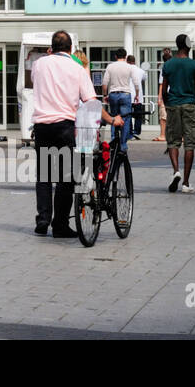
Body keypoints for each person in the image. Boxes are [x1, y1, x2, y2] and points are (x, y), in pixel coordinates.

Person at [31, 30, 124, 238]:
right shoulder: (77, 68)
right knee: (66, 177)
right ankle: (60, 225)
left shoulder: (39, 64)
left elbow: (36, 78)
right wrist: (111, 119)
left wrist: (47, 56)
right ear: (71, 49)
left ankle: (43, 219)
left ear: (51, 48)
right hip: (64, 126)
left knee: (44, 176)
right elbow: (91, 101)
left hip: (41, 126)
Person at [162, 35, 195, 193]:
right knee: (190, 143)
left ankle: (176, 171)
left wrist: (167, 104)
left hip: (173, 104)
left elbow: (164, 89)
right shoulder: (194, 65)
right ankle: (185, 183)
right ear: (188, 45)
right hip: (189, 104)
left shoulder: (168, 64)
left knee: (173, 140)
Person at [101, 48, 134, 153]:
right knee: (126, 118)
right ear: (125, 56)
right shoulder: (129, 67)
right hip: (125, 94)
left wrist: (105, 95)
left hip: (113, 94)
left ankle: (113, 141)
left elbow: (105, 82)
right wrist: (137, 93)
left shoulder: (110, 66)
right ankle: (123, 144)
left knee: (114, 118)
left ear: (115, 56)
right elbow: (136, 82)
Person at [153, 47, 171, 141]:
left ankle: (163, 135)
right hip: (175, 94)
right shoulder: (176, 67)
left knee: (163, 116)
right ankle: (181, 136)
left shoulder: (164, 68)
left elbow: (161, 84)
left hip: (166, 95)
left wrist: (159, 98)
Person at [127, 54, 146, 139]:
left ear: (127, 61)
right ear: (134, 61)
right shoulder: (140, 71)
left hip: (128, 96)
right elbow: (144, 79)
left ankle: (130, 132)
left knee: (128, 115)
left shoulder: (125, 70)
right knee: (138, 115)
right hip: (138, 96)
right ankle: (137, 132)